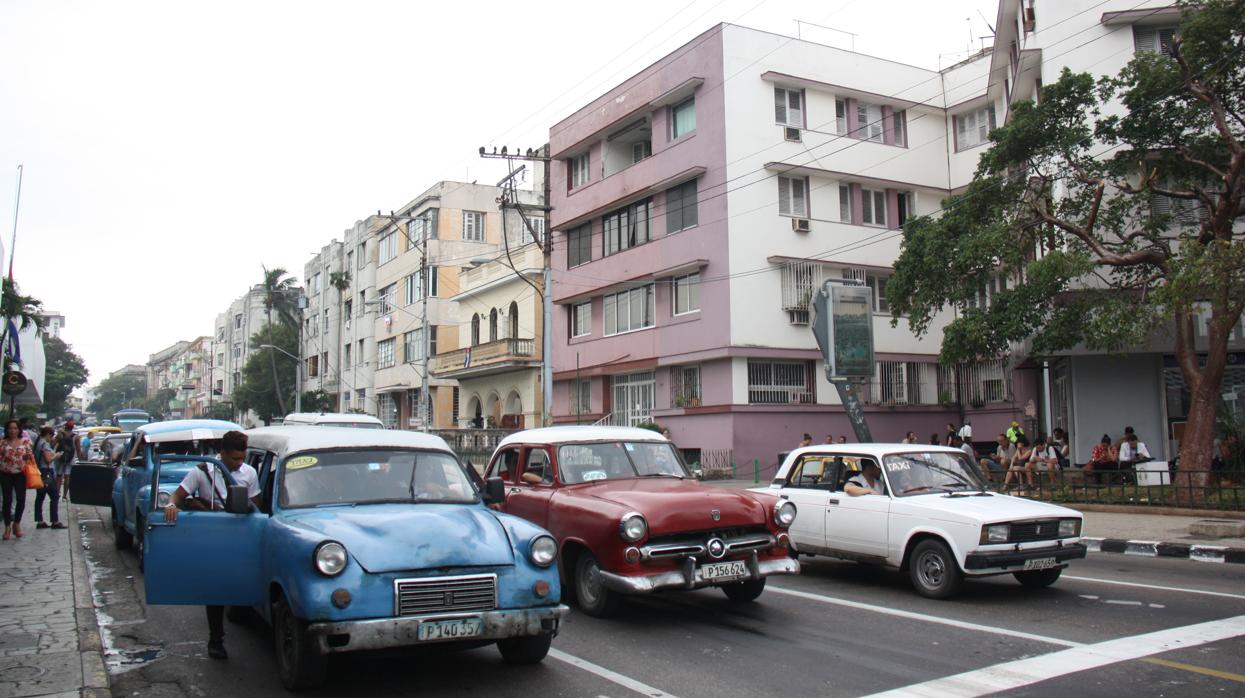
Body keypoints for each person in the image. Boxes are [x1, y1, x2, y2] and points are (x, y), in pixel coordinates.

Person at [163, 430, 260, 660]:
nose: (239, 463)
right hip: (213, 537)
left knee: (241, 584)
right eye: (234, 458)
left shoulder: (249, 473)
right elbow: (177, 496)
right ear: (223, 453)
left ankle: (238, 611)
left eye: (242, 458)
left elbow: (257, 506)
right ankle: (215, 640)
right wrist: (170, 506)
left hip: (239, 535)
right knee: (214, 590)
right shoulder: (202, 471)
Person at [1, 419, 35, 540]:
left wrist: (28, 457)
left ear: (19, 429)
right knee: (7, 500)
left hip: (21, 474)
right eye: (10, 428)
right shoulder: (2, 443)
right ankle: (7, 527)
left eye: (15, 428)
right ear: (7, 430)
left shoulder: (25, 442)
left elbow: (31, 457)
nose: (13, 430)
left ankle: (16, 523)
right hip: (5, 473)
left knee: (21, 499)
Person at [33, 426, 65, 529]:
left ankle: (40, 521)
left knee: (40, 497)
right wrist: (57, 455)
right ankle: (55, 521)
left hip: (40, 471)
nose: (51, 438)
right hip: (46, 472)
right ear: (48, 434)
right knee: (54, 496)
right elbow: (48, 459)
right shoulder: (44, 444)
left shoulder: (37, 443)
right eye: (51, 436)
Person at [55, 422, 78, 499]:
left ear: (65, 426)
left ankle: (57, 493)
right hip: (70, 458)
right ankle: (65, 495)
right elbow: (78, 449)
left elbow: (52, 444)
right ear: (72, 427)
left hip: (60, 457)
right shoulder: (76, 436)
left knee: (59, 476)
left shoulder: (60, 435)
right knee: (67, 477)